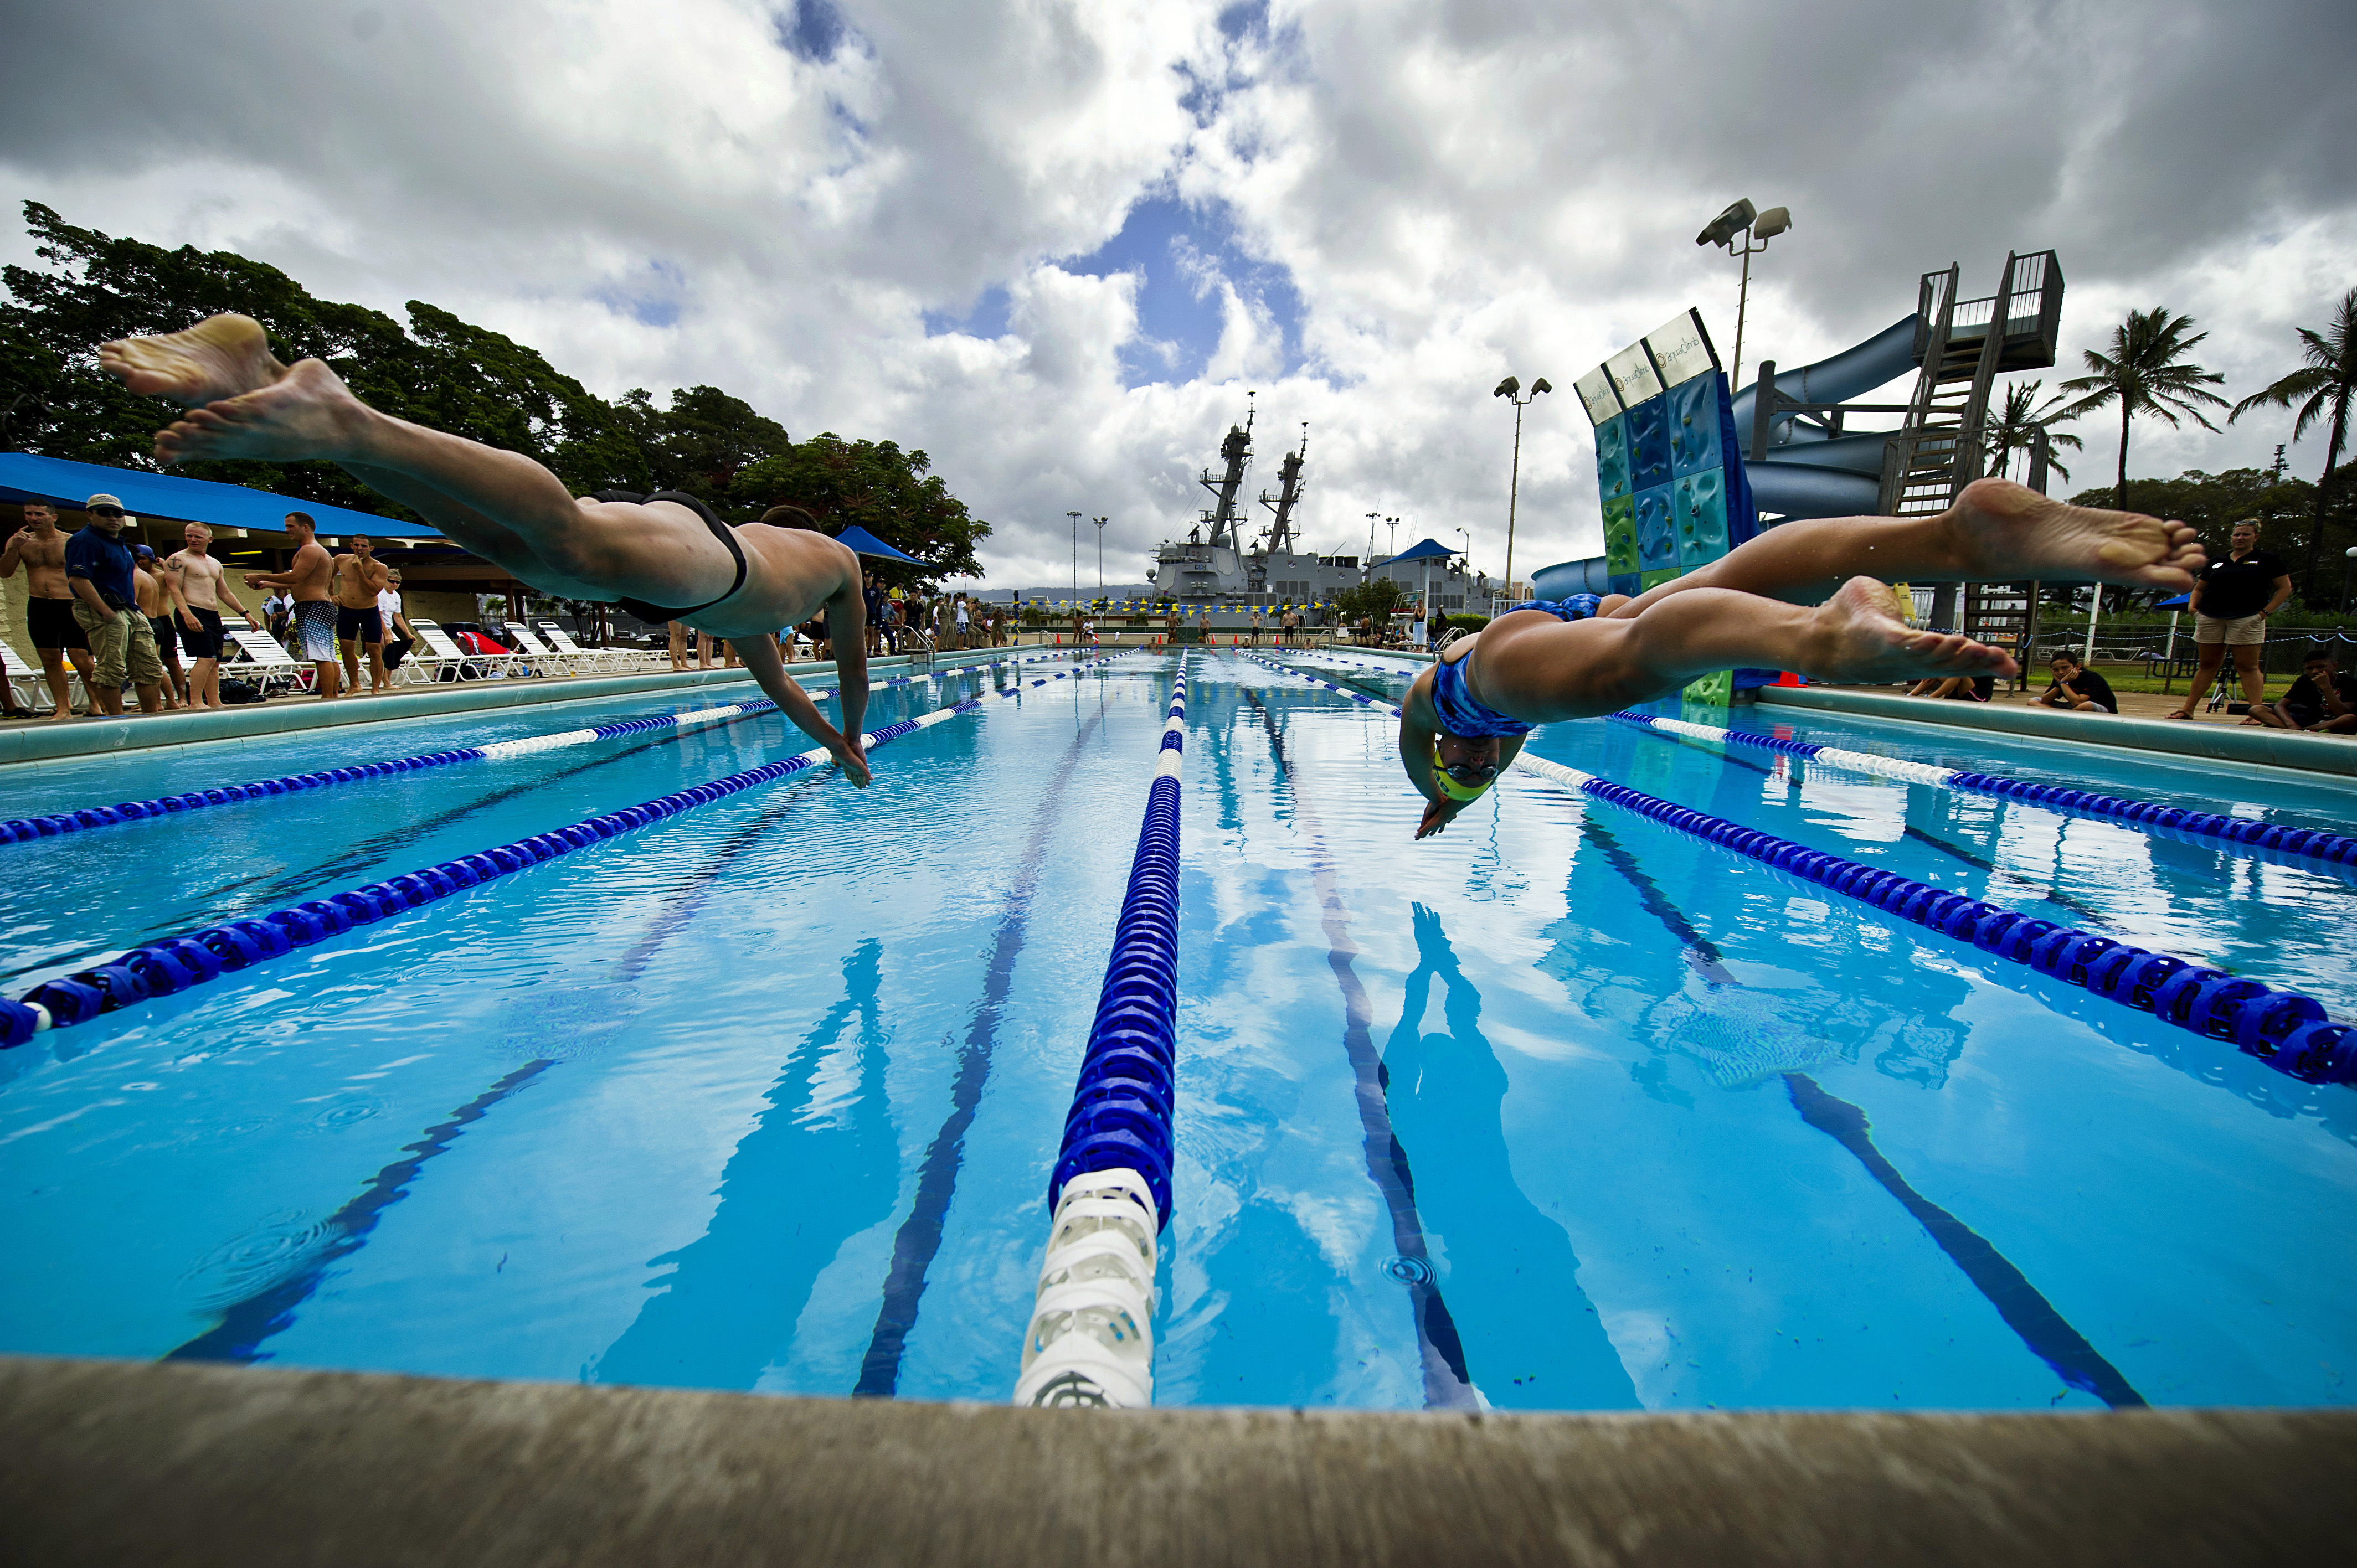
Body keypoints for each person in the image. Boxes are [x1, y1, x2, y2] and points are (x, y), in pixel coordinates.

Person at [101, 312, 871, 780]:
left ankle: (273, 382)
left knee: (516, 545)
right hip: (709, 563)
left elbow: (784, 688)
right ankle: (345, 415)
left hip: (693, 560)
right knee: (566, 532)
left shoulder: (762, 615)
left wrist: (836, 746)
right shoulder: (836, 562)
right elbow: (850, 663)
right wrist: (859, 732)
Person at [1400, 479, 2204, 839]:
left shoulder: (1440, 708)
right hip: (1567, 620)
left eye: (1462, 763)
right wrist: (1464, 800)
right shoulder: (1501, 735)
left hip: (1493, 665)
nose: (1476, 761)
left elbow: (1423, 754)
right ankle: (1952, 538)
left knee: (1633, 666)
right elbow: (1488, 760)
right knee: (1724, 575)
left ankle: (1819, 635)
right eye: (1479, 767)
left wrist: (1438, 794)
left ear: (1448, 749)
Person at [2165, 518, 2292, 720]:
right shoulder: (2217, 561)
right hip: (2210, 617)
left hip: (2247, 618)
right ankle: (2187, 709)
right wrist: (2193, 609)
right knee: (2207, 665)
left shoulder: (2268, 560)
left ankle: (2256, 714)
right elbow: (2199, 587)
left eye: (2246, 534)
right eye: (2237, 534)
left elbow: (2284, 588)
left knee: (2248, 667)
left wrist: (2263, 614)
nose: (2240, 538)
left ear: (2255, 537)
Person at [63, 492, 166, 716]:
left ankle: (151, 719)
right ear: (90, 515)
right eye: (104, 513)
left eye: (117, 513)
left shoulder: (119, 543)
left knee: (149, 667)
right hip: (105, 609)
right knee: (112, 668)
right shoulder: (85, 540)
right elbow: (78, 579)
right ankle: (118, 722)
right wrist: (105, 611)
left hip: (129, 608)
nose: (112, 517)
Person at [2, 501, 100, 720]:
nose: (33, 518)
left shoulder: (70, 541)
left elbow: (89, 574)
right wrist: (12, 548)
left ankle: (96, 702)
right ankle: (63, 708)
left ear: (53, 517)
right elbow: (5, 572)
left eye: (39, 514)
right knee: (49, 659)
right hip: (39, 605)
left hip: (69, 604)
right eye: (29, 514)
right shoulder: (21, 542)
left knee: (81, 659)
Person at [242, 510, 339, 698]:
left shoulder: (310, 549)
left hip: (314, 607)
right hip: (319, 606)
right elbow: (302, 582)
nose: (286, 530)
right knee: (328, 656)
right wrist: (268, 584)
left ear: (305, 527)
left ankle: (328, 699)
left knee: (322, 657)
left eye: (290, 526)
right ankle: (332, 696)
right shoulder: (318, 550)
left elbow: (296, 576)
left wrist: (260, 575)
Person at [162, 521, 250, 710]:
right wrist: (187, 614)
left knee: (215, 662)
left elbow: (225, 593)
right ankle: (195, 702)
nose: (193, 540)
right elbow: (173, 589)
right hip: (192, 611)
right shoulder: (178, 559)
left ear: (210, 539)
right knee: (206, 658)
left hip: (212, 615)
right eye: (189, 536)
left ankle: (214, 701)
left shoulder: (215, 563)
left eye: (198, 537)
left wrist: (246, 614)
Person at [330, 533, 393, 695]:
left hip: (369, 612)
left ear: (371, 548)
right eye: (357, 545)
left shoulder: (380, 567)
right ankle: (355, 685)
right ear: (351, 546)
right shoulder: (341, 560)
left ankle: (376, 688)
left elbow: (373, 591)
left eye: (364, 546)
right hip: (346, 610)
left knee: (374, 650)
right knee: (346, 649)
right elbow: (326, 576)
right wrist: (330, 594)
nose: (360, 549)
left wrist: (359, 571)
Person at [2250, 647, 2357, 734]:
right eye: (2310, 669)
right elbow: (2280, 706)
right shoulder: (2304, 680)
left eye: (2321, 667)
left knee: (2349, 718)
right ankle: (2303, 731)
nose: (2315, 671)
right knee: (2256, 710)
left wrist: (2326, 688)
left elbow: (2342, 713)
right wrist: (2291, 724)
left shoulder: (2348, 681)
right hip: (2311, 719)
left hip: (2336, 723)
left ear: (2335, 666)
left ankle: (2306, 730)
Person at [132, 544, 186, 709]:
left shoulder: (162, 576)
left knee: (171, 662)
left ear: (151, 560)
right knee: (151, 664)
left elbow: (179, 582)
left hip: (162, 620)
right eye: (138, 558)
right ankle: (154, 701)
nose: (140, 562)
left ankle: (182, 697)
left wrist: (164, 564)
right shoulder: (132, 576)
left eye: (143, 558)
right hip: (146, 621)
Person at [2035, 653, 2117, 714]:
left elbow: (2078, 702)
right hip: (2075, 708)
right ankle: (2063, 716)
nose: (2061, 672)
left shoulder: (2091, 677)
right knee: (2034, 701)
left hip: (2102, 709)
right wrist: (2059, 684)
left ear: (2077, 666)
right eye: (2056, 670)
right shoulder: (2061, 677)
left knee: (2086, 705)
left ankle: (2063, 718)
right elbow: (2045, 700)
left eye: (2065, 668)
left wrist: (2064, 683)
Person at [378, 567, 417, 676]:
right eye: (391, 581)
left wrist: (408, 634)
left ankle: (387, 681)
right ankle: (380, 679)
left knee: (391, 653)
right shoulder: (380, 594)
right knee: (382, 652)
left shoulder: (396, 596)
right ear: (385, 580)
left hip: (388, 627)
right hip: (377, 627)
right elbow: (378, 616)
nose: (394, 584)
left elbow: (398, 617)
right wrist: (386, 633)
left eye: (398, 582)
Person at [1906, 673, 1993, 701]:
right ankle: (1912, 694)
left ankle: (1931, 698)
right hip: (1961, 693)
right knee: (1937, 673)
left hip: (1979, 697)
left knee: (1960, 674)